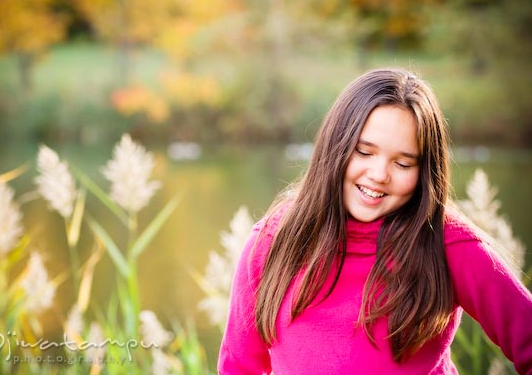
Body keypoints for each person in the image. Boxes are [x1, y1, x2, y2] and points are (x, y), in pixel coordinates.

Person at [218, 68, 532, 374]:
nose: (380, 175)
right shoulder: (274, 239)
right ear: (335, 147)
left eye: (403, 162)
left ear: (424, 171)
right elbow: (238, 365)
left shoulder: (448, 243)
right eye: (364, 153)